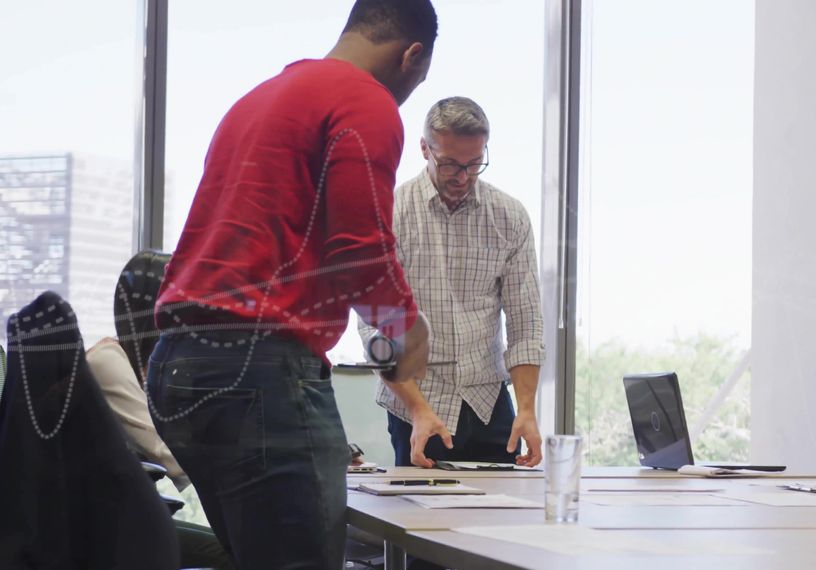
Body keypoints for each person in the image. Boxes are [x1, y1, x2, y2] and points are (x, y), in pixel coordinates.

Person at [147, 2, 447, 568]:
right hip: (258, 371)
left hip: (177, 368)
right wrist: (406, 331)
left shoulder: (257, 100)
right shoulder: (365, 101)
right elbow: (359, 255)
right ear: (412, 57)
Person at [371, 96, 545, 468]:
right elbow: (377, 331)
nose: (463, 177)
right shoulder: (390, 213)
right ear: (424, 149)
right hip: (417, 402)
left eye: (474, 163)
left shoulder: (509, 216)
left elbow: (525, 321)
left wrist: (527, 409)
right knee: (421, 519)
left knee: (500, 521)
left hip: (488, 401)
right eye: (450, 163)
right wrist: (417, 410)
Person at [87, 249, 233, 569]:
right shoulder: (107, 362)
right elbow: (166, 451)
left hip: (124, 512)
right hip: (102, 522)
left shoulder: (144, 365)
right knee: (234, 553)